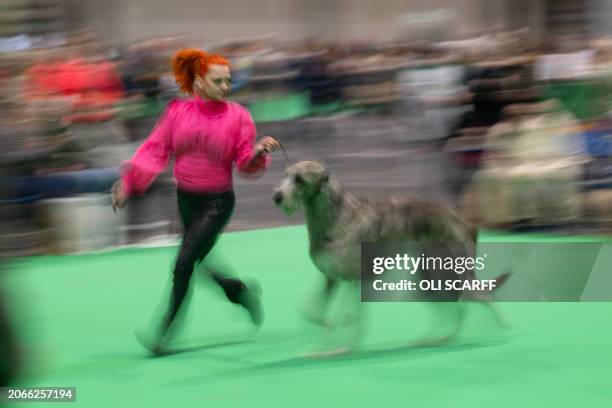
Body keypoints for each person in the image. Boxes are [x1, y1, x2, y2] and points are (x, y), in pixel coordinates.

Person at [112, 48, 280, 354]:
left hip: (217, 203)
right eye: (218, 81)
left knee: (184, 264)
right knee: (198, 260)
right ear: (199, 82)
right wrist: (129, 183)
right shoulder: (177, 112)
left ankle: (164, 332)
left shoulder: (239, 116)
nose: (226, 87)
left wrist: (256, 153)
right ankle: (239, 292)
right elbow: (155, 149)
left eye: (228, 81)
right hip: (186, 200)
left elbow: (243, 162)